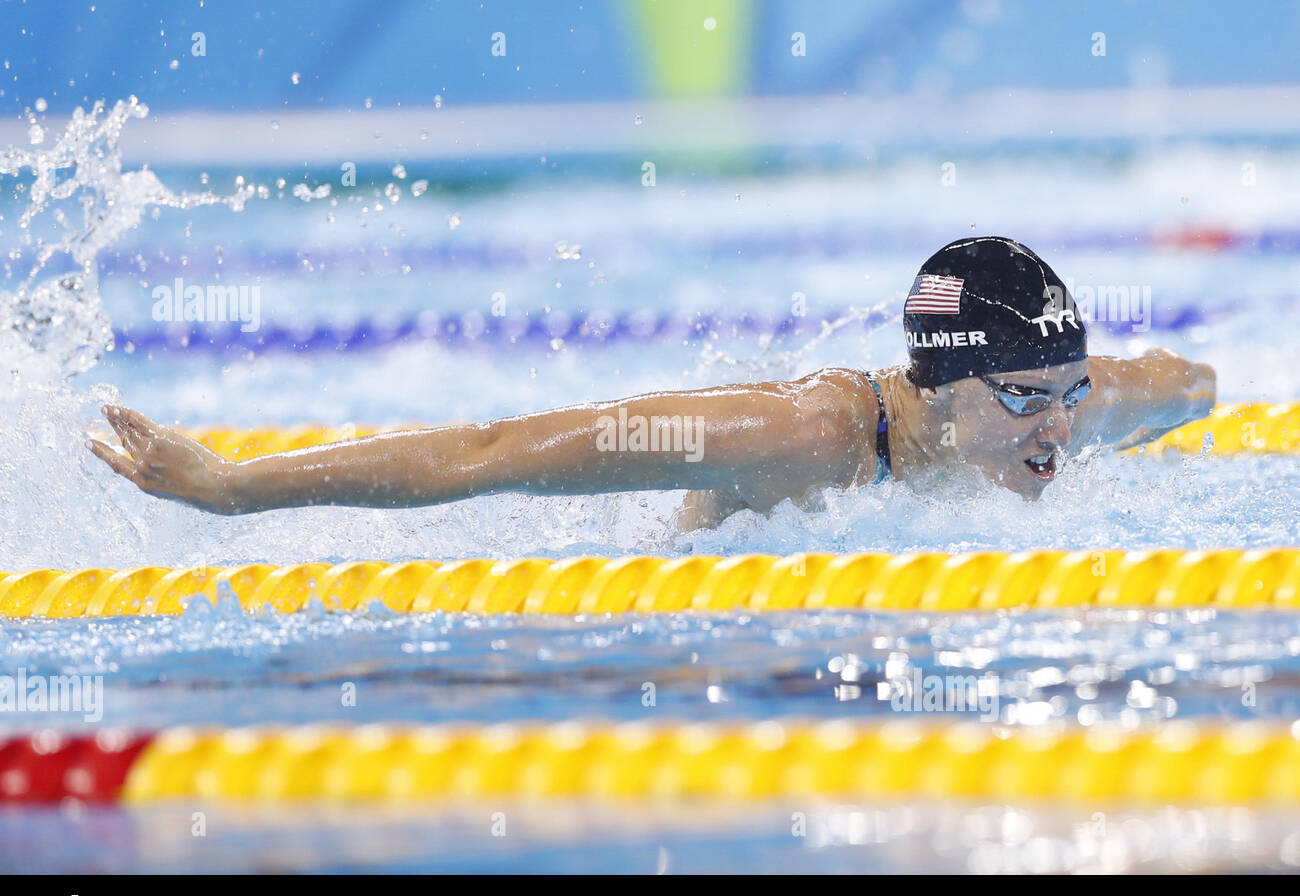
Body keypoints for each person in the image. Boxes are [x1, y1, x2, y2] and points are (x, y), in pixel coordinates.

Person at [89, 236, 1217, 532]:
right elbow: (487, 454)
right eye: (1026, 396)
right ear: (937, 382)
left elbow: (1194, 384)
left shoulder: (1085, 404)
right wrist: (234, 482)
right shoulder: (791, 436)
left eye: (1070, 387)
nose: (1060, 424)